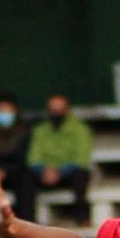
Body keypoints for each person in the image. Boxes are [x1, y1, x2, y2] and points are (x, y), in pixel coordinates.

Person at [26, 94, 93, 225]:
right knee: (25, 178)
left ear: (67, 110)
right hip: (45, 174)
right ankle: (28, 221)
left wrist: (60, 172)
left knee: (81, 175)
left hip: (68, 173)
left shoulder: (80, 129)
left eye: (59, 109)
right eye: (53, 109)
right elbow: (33, 157)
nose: (56, 112)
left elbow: (81, 158)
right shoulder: (40, 130)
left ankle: (82, 218)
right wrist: (44, 171)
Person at [0, 93, 34, 222]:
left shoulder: (24, 131)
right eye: (0, 110)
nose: (3, 114)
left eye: (7, 110)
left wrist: (6, 171)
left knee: (26, 182)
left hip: (17, 172)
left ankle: (26, 223)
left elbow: (24, 157)